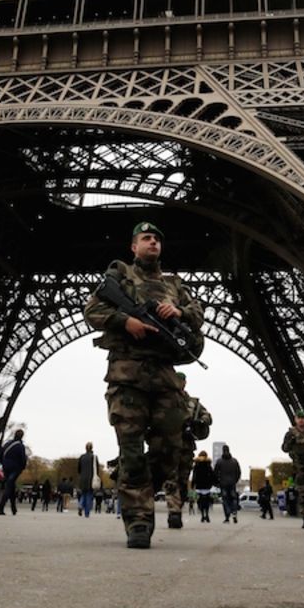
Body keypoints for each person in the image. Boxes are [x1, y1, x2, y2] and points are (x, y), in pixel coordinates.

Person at [83, 221, 204, 549]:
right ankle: (138, 519)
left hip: (165, 379)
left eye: (157, 239)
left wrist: (177, 310)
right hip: (128, 376)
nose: (153, 242)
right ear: (133, 247)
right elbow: (92, 310)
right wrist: (127, 321)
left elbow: (197, 314)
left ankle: (132, 484)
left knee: (169, 450)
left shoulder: (174, 284)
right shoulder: (120, 277)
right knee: (133, 450)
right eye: (146, 238)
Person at [155, 382, 210, 529]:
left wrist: (200, 421)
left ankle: (177, 508)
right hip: (169, 446)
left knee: (182, 479)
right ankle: (174, 512)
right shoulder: (163, 399)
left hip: (186, 446)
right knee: (171, 478)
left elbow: (207, 416)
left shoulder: (192, 402)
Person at [0, 430, 27, 516]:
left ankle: (14, 508)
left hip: (6, 467)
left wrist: (3, 464)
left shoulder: (7, 444)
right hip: (15, 468)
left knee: (11, 486)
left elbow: (1, 455)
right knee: (9, 486)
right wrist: (22, 467)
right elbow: (23, 458)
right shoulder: (20, 446)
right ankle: (1, 507)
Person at [215, 445, 242, 523]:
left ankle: (227, 516)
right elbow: (238, 472)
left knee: (225, 499)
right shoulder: (234, 461)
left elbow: (215, 473)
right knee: (233, 499)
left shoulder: (219, 461)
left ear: (223, 451)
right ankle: (234, 512)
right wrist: (235, 480)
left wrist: (218, 482)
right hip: (232, 483)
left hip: (223, 483)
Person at [190, 451, 216, 523]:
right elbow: (212, 475)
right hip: (207, 486)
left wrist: (192, 485)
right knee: (207, 502)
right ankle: (207, 515)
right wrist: (214, 483)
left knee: (200, 502)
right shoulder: (208, 465)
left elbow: (194, 476)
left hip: (199, 486)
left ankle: (202, 516)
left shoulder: (196, 465)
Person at [77, 442, 100, 518]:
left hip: (83, 478)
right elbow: (97, 469)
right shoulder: (94, 457)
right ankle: (87, 513)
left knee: (83, 494)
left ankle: (80, 505)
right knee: (89, 495)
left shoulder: (82, 457)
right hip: (91, 478)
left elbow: (79, 469)